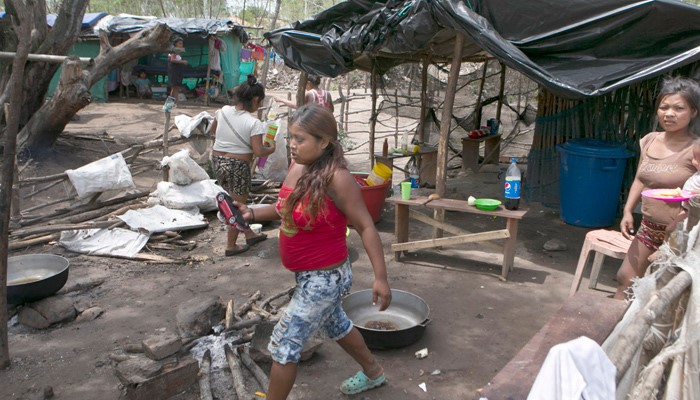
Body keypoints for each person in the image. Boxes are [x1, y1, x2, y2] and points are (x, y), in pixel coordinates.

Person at [232, 104, 392, 399]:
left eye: (300, 139)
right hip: (308, 276)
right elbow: (283, 210)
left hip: (325, 278)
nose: (292, 145)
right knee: (337, 324)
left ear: (324, 142)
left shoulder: (337, 178)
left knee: (284, 345)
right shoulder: (298, 167)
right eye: (291, 137)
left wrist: (380, 277)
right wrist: (250, 214)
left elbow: (366, 226)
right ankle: (374, 373)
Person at [614, 77, 700, 300]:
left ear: (693, 112)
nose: (669, 113)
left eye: (678, 108)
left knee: (667, 293)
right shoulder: (650, 141)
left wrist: (681, 219)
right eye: (664, 107)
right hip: (649, 227)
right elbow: (640, 180)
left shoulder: (696, 148)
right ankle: (615, 333)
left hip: (683, 233)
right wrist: (627, 210)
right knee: (625, 278)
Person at [210, 74, 275, 256]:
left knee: (231, 201)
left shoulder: (222, 111)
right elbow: (259, 151)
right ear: (255, 100)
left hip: (217, 161)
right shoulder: (253, 123)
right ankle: (231, 245)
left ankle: (249, 234)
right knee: (237, 205)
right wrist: (272, 147)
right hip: (238, 165)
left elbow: (213, 131)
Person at [168, 37, 188, 107]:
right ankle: (177, 104)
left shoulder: (177, 51)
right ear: (175, 44)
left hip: (176, 71)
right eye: (179, 43)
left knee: (174, 88)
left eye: (182, 44)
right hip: (174, 71)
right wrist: (182, 61)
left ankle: (169, 104)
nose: (181, 45)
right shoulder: (174, 51)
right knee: (175, 88)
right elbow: (172, 60)